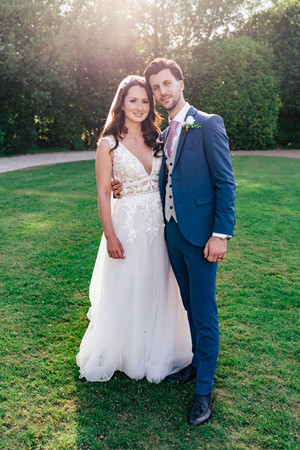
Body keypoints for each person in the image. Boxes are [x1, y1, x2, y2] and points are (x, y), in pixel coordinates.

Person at [113, 59, 236, 425]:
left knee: (204, 309)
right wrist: (121, 185)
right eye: (155, 88)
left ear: (181, 82)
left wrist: (219, 234)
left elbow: (225, 183)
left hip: (201, 237)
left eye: (167, 84)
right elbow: (156, 178)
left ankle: (203, 392)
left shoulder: (208, 123)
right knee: (188, 305)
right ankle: (197, 363)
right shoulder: (163, 134)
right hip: (172, 234)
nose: (161, 92)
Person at [76, 75, 192, 383]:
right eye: (133, 101)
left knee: (159, 282)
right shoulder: (108, 143)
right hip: (126, 225)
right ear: (122, 104)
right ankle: (126, 350)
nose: (139, 107)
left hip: (160, 223)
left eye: (144, 101)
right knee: (129, 284)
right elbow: (103, 191)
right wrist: (110, 234)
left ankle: (158, 347)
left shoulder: (159, 137)